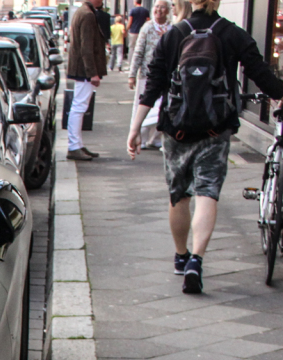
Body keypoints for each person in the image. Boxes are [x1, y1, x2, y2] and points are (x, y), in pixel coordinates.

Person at [128, 0, 283, 293]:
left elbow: (153, 85)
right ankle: (197, 261)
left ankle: (181, 256)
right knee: (207, 192)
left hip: (177, 130)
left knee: (179, 194)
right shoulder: (233, 33)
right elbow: (260, 73)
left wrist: (135, 129)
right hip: (216, 129)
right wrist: (279, 94)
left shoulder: (172, 36)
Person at [67, 0, 109, 161]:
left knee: (79, 106)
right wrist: (93, 73)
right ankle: (74, 146)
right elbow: (87, 46)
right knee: (79, 106)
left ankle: (77, 144)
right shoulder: (88, 15)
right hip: (84, 70)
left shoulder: (83, 12)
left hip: (81, 68)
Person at [128, 0, 172, 150]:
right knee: (143, 105)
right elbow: (138, 51)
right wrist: (132, 74)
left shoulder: (171, 28)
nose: (159, 10)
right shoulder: (147, 27)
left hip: (166, 75)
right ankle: (140, 137)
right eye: (157, 7)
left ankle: (155, 138)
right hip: (146, 74)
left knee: (162, 107)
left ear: (167, 11)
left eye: (162, 7)